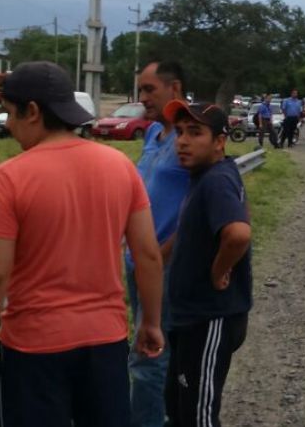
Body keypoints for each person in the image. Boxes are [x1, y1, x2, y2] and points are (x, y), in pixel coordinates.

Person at [0, 61, 165, 427]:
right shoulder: (120, 166)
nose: (8, 125)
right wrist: (150, 323)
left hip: (34, 346)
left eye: (10, 113)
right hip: (104, 340)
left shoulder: (9, 179)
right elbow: (148, 255)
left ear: (32, 111)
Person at [162, 100, 253, 427]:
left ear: (219, 141)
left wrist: (218, 271)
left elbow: (238, 234)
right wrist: (159, 257)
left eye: (195, 133)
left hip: (210, 316)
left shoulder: (215, 180)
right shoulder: (206, 175)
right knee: (178, 405)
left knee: (198, 414)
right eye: (180, 132)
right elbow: (191, 227)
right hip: (190, 315)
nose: (182, 141)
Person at [128, 60, 192, 427]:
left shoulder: (190, 132)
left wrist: (163, 255)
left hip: (163, 265)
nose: (143, 98)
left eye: (150, 89)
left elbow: (199, 204)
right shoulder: (153, 134)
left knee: (147, 355)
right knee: (147, 350)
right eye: (140, 90)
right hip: (137, 261)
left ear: (175, 87)